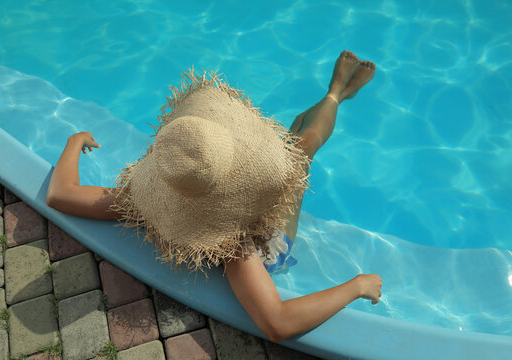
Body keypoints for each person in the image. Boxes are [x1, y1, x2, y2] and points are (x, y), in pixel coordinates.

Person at [45, 50, 382, 343]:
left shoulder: (140, 200)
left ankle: (335, 94)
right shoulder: (235, 244)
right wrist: (357, 286)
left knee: (297, 141)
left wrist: (74, 141)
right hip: (270, 239)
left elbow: (61, 194)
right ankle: (336, 93)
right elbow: (278, 323)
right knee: (303, 146)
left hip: (216, 206)